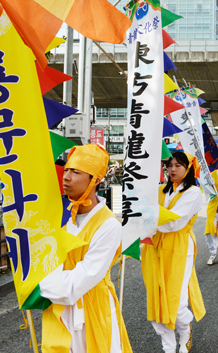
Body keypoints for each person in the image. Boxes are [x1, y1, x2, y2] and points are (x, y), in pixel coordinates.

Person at [40, 144, 132, 353]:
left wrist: (37, 287)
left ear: (96, 180)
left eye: (76, 172)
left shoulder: (108, 225)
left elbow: (77, 283)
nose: (66, 177)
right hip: (59, 305)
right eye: (67, 170)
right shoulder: (62, 216)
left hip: (92, 306)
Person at [141, 151, 206, 353]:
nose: (172, 169)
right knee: (156, 297)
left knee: (175, 301)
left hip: (179, 247)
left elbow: (175, 222)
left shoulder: (194, 192)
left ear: (188, 169)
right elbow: (141, 209)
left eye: (178, 165)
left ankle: (185, 330)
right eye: (169, 165)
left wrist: (148, 218)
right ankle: (168, 346)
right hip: (154, 246)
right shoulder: (161, 190)